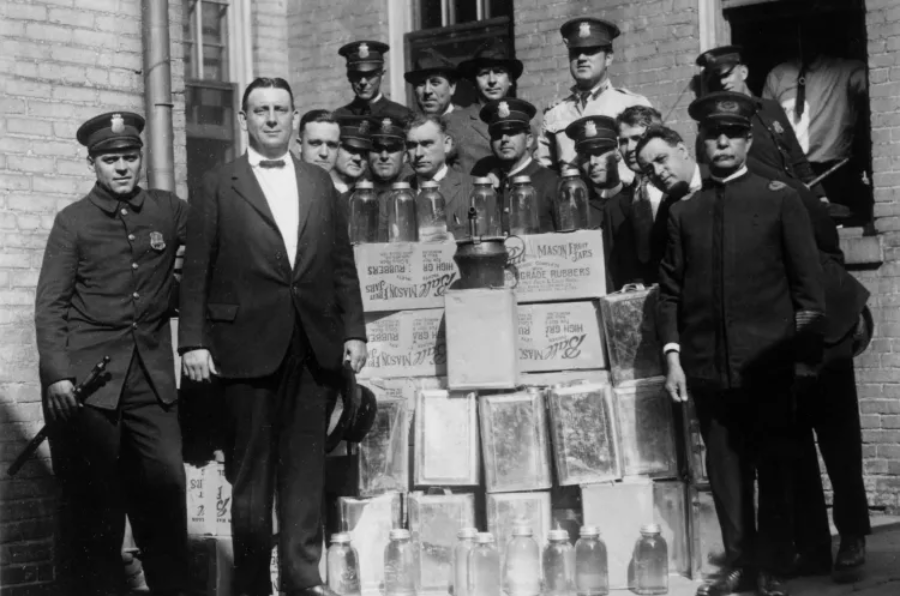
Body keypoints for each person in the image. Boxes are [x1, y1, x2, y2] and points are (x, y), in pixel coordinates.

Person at [179, 77, 367, 596]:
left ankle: (304, 580)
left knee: (306, 471)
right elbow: (197, 267)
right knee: (252, 476)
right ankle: (253, 583)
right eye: (259, 110)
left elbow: (340, 262)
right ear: (244, 119)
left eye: (280, 110)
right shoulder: (218, 183)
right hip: (244, 348)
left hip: (313, 347)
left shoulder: (317, 181)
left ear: (293, 117)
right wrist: (192, 340)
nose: (270, 119)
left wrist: (354, 330)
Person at [658, 92, 825, 596]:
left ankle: (772, 562)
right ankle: (739, 561)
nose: (722, 141)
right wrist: (673, 358)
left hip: (768, 365)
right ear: (701, 144)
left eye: (732, 133)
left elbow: (808, 291)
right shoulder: (685, 212)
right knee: (726, 472)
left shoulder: (779, 198)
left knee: (775, 466)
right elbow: (670, 294)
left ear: (749, 140)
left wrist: (805, 359)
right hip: (709, 369)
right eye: (713, 134)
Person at [35, 111, 189, 596]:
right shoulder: (73, 222)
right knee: (95, 510)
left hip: (152, 381)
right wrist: (58, 374)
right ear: (92, 164)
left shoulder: (168, 210)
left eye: (129, 157)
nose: (121, 167)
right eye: (110, 159)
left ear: (141, 158)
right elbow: (50, 304)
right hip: (90, 387)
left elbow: (209, 253)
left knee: (166, 494)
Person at [695, 46, 828, 202]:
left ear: (743, 73)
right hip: (757, 202)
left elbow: (796, 156)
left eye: (728, 74)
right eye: (717, 78)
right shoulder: (720, 124)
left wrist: (819, 194)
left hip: (792, 197)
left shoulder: (771, 108)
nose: (723, 82)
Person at [763, 32, 869, 225]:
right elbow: (767, 124)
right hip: (793, 171)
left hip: (835, 171)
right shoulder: (777, 75)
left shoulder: (847, 71)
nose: (806, 41)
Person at [539, 17, 651, 172]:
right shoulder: (555, 114)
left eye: (590, 51)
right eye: (575, 52)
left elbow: (653, 159)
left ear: (609, 58)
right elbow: (545, 174)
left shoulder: (633, 105)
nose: (582, 58)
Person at [565, 114, 640, 291]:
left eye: (599, 153)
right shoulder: (577, 211)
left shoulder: (636, 200)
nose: (592, 163)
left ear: (617, 153)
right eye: (585, 156)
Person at [471, 98, 557, 233]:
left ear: (528, 140)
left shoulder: (552, 183)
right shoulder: (490, 190)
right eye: (498, 135)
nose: (504, 140)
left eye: (512, 133)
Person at [634, 125, 705, 281]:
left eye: (661, 159)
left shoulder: (721, 182)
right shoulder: (666, 211)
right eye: (649, 170)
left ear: (682, 150)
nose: (658, 172)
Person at [447, 40, 525, 173]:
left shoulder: (526, 120)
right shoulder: (454, 122)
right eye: (484, 74)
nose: (492, 81)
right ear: (474, 82)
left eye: (499, 72)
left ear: (510, 80)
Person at [616, 106, 666, 283]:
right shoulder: (616, 204)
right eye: (623, 141)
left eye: (636, 138)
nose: (629, 148)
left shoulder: (679, 190)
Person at [404, 113, 474, 238]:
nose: (418, 153)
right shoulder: (396, 195)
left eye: (427, 144)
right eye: (412, 145)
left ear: (446, 144)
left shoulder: (472, 190)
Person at [334, 41, 412, 122]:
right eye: (357, 75)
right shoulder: (339, 117)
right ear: (349, 76)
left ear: (382, 75)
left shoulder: (402, 115)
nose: (363, 82)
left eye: (370, 75)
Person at [367, 115, 408, 241]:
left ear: (405, 156)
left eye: (392, 149)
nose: (384, 156)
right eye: (377, 149)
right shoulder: (355, 195)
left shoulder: (414, 194)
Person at [405, 48, 461, 117]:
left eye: (435, 83)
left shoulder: (469, 123)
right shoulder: (411, 125)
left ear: (452, 87)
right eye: (421, 84)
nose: (427, 91)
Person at [330, 116, 371, 195]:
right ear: (334, 148)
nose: (358, 158)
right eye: (351, 149)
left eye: (364, 152)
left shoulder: (371, 194)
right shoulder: (316, 187)